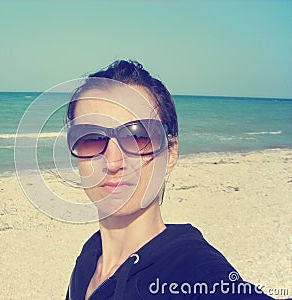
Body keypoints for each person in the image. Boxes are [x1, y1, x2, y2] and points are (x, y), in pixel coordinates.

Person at [65, 60, 272, 299]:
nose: (112, 163)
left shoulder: (191, 272)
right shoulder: (90, 256)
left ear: (170, 153)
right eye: (91, 138)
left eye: (138, 137)